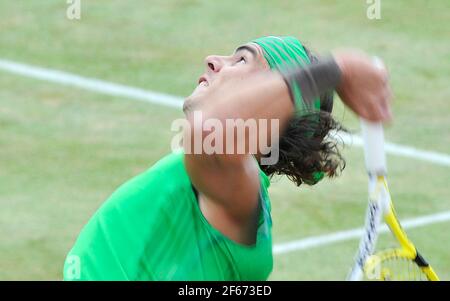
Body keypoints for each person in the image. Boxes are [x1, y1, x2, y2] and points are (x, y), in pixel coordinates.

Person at [63, 36, 391, 280]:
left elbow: (210, 131)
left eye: (242, 61)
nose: (212, 60)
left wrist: (338, 68)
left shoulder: (236, 193)